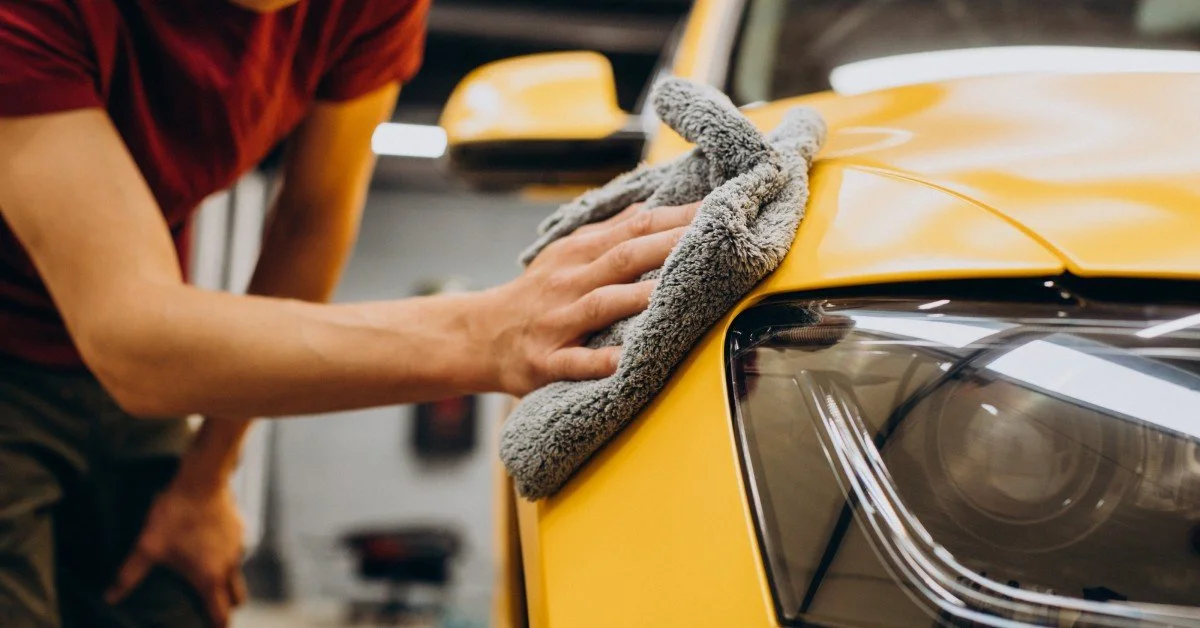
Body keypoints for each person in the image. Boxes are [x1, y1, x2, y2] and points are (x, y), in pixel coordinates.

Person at [0, 1, 698, 626]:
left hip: (134, 387)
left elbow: (311, 219)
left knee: (173, 600)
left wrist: (206, 479)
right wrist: (489, 331)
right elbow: (135, 339)